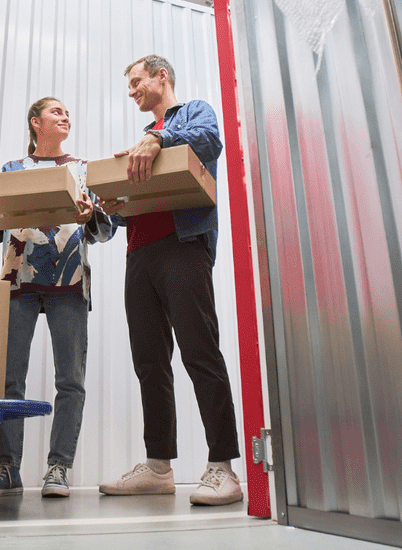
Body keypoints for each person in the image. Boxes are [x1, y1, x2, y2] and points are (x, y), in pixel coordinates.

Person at [97, 55, 243, 506]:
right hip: (138, 252)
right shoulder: (144, 142)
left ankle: (223, 469)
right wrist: (108, 208)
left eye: (137, 81)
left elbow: (209, 141)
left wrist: (157, 137)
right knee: (149, 362)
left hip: (183, 247)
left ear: (163, 77)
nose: (131, 91)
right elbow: (134, 206)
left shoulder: (192, 113)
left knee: (200, 352)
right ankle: (159, 466)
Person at [0, 96, 116, 499]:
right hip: (19, 282)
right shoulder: (12, 170)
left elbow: (105, 232)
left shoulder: (83, 170)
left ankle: (59, 468)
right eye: (56, 112)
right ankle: (7, 468)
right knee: (8, 380)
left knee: (70, 381)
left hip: (69, 283)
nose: (66, 116)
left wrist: (92, 218)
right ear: (36, 122)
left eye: (68, 112)